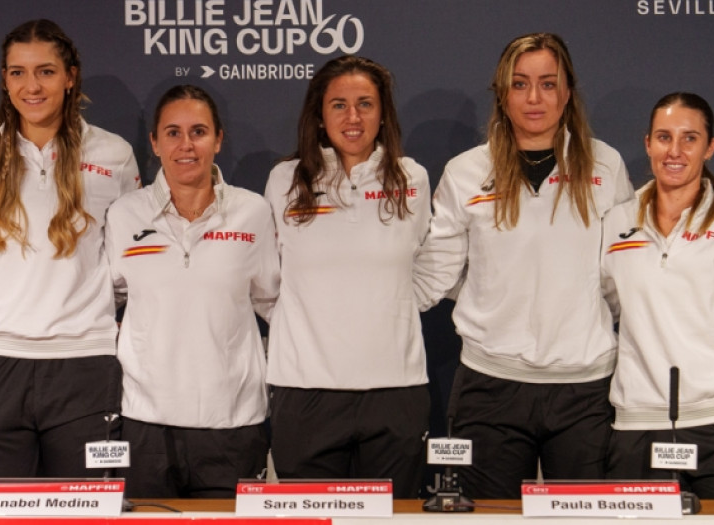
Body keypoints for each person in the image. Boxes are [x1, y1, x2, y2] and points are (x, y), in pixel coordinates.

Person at [415, 33, 634, 499]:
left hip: (585, 389)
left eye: (547, 84)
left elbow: (622, 279)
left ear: (567, 91)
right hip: (489, 386)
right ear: (502, 93)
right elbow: (437, 275)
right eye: (520, 84)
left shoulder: (605, 166)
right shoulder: (466, 171)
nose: (534, 98)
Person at [0, 19, 139, 491]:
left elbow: (130, 256)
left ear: (71, 76)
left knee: (88, 512)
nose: (31, 86)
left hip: (86, 363)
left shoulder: (114, 153)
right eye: (17, 72)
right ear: (4, 79)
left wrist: (86, 303)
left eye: (46, 72)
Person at [263, 55, 432, 499]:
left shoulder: (412, 179)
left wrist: (390, 305)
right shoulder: (285, 179)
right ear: (319, 114)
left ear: (383, 114)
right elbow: (266, 279)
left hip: (396, 389)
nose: (352, 117)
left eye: (365, 104)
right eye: (339, 104)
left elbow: (430, 265)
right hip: (305, 391)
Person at [602, 92, 714, 500]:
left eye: (690, 138)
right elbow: (599, 311)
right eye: (664, 137)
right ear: (647, 143)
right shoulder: (614, 224)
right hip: (636, 429)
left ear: (710, 147)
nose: (675, 151)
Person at [105, 84, 279, 498]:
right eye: (173, 133)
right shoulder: (124, 214)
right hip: (145, 422)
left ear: (218, 139)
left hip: (234, 423)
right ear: (154, 142)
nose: (186, 145)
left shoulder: (253, 212)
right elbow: (105, 303)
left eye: (199, 132)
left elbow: (274, 303)